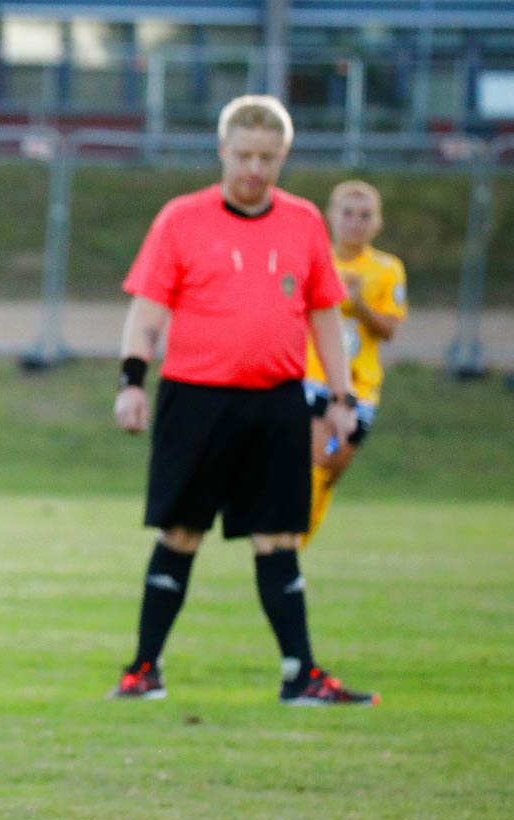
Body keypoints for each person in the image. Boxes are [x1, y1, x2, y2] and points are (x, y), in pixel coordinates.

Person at [108, 95, 377, 707]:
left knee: (279, 536)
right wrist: (130, 383)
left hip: (278, 402)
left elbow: (325, 316)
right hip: (195, 401)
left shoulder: (305, 221)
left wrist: (340, 396)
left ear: (282, 156)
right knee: (180, 532)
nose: (255, 169)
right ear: (223, 151)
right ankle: (143, 671)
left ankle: (300, 675)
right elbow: (147, 310)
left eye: (269, 157)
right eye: (244, 155)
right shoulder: (181, 219)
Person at [302, 180, 405, 544]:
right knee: (314, 463)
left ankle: (300, 540)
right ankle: (286, 552)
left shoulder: (386, 268)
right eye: (347, 213)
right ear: (331, 216)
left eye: (365, 216)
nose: (355, 222)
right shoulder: (315, 259)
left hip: (363, 385)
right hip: (317, 377)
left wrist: (358, 303)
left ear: (377, 223)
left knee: (331, 470)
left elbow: (389, 328)